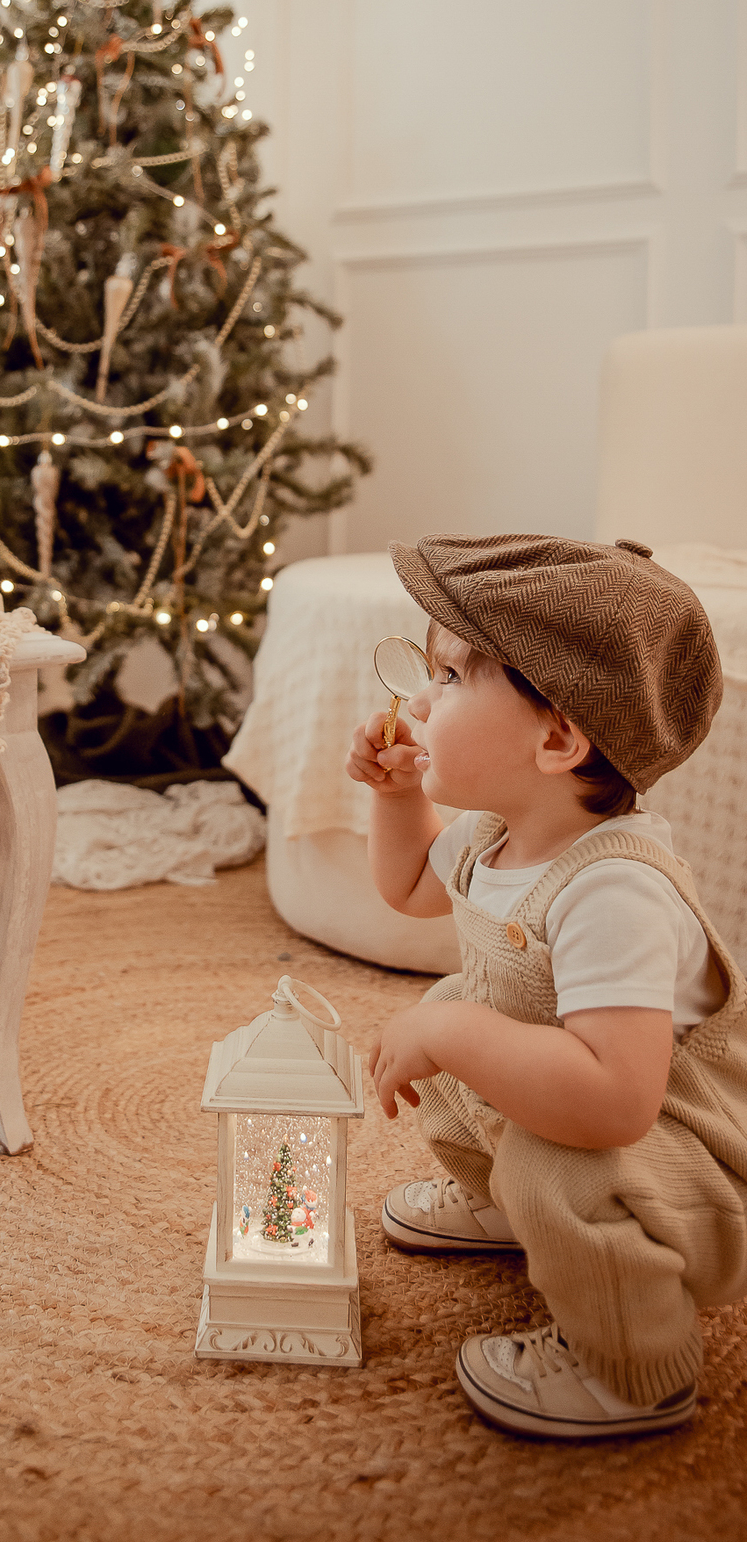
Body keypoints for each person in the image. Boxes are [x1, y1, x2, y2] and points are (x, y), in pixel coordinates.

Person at [346, 532, 747, 1441]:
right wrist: (396, 796)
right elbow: (409, 886)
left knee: (532, 1130)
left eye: (448, 679)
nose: (415, 700)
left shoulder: (617, 888)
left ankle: (636, 1370)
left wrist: (450, 1041)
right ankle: (510, 1208)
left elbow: (614, 1101)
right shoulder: (501, 835)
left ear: (560, 737)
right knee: (457, 1007)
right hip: (598, 1112)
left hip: (693, 1162)